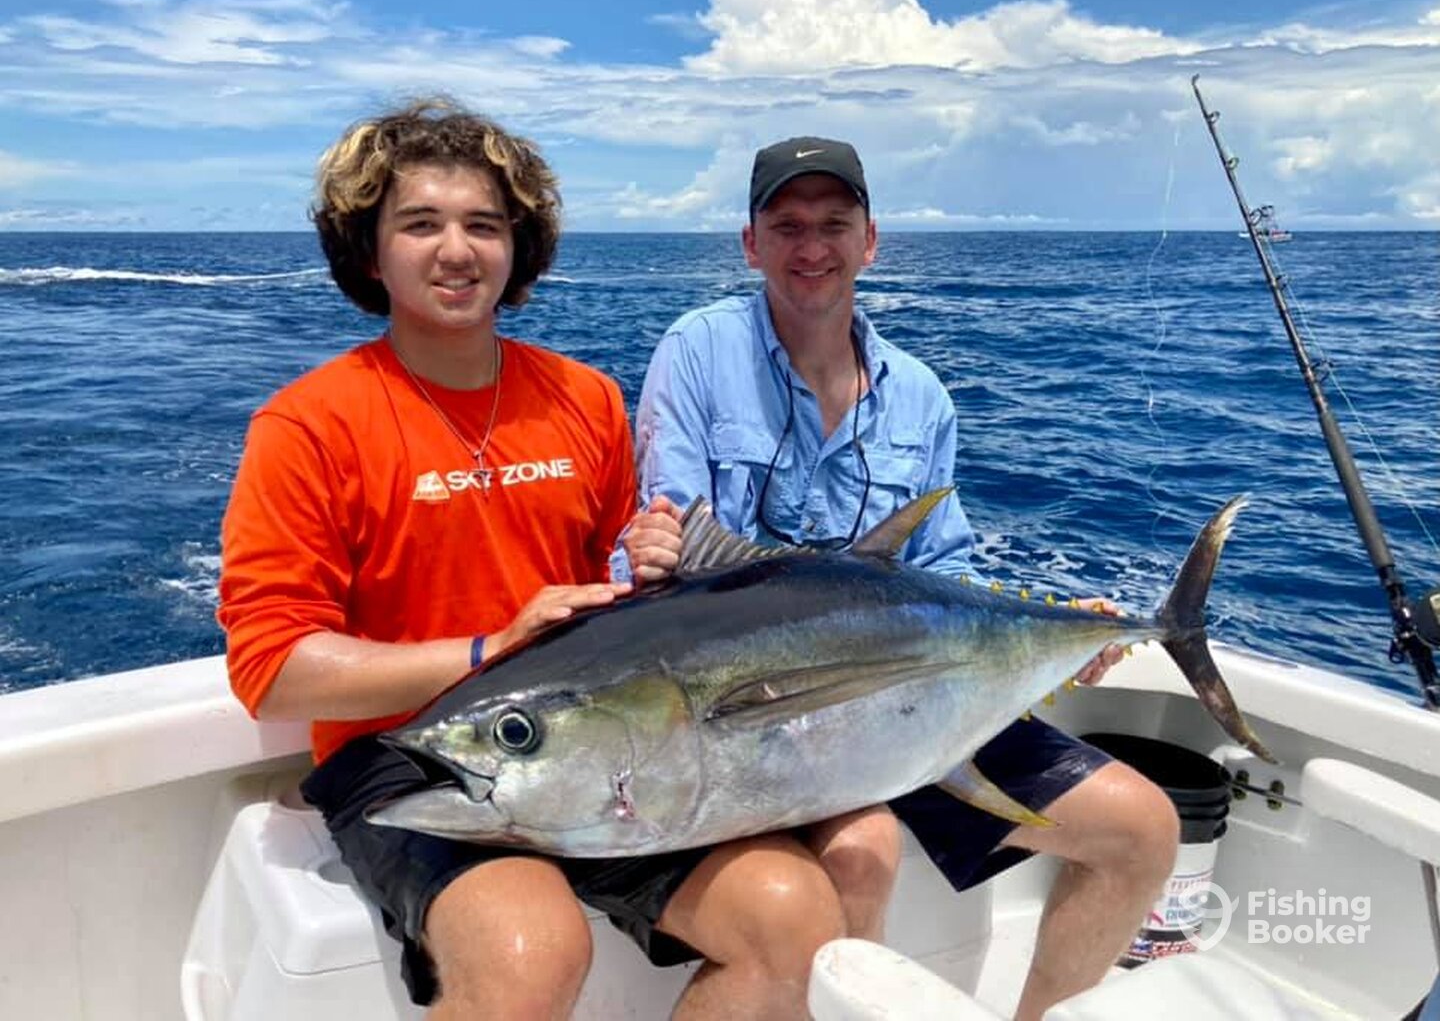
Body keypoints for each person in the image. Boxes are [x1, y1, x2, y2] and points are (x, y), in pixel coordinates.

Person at [218, 102, 864, 1020]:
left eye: (484, 225)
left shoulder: (584, 398)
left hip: (602, 739)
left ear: (519, 247)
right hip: (417, 759)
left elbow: (619, 587)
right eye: (421, 224)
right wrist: (489, 652)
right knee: (534, 950)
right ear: (369, 252)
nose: (457, 250)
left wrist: (653, 561)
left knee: (794, 916)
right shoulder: (309, 426)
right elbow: (273, 669)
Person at [630, 136, 1182, 1020]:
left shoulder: (920, 395)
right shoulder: (698, 351)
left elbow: (945, 573)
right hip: (770, 712)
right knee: (862, 851)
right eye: (788, 226)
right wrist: (650, 549)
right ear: (750, 245)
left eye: (834, 224)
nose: (812, 246)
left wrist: (1054, 637)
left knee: (1141, 829)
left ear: (872, 241)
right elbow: (669, 543)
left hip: (919, 699)